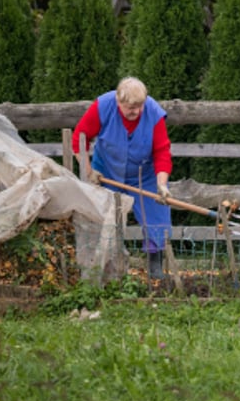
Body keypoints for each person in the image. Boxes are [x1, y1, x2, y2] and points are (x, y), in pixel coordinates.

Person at [72, 76, 174, 277]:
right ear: (118, 101)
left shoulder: (153, 113)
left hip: (144, 174)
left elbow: (162, 151)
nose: (135, 111)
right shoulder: (103, 107)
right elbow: (78, 140)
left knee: (157, 215)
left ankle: (155, 268)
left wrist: (162, 184)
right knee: (103, 219)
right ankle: (101, 267)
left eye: (139, 107)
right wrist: (89, 172)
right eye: (129, 107)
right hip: (107, 171)